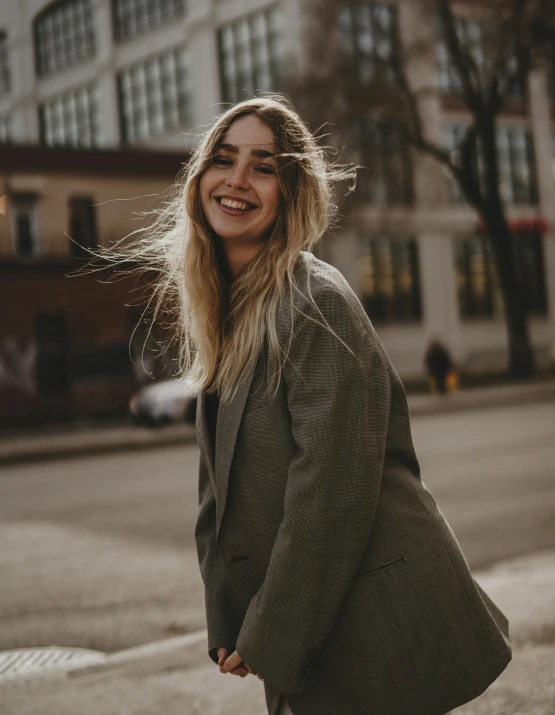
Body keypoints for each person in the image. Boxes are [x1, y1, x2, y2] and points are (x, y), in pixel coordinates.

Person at [126, 96, 511, 715]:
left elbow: (329, 495)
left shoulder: (313, 302)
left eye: (264, 166)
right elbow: (218, 490)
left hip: (374, 628)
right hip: (323, 619)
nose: (238, 181)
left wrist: (270, 634)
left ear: (291, 192)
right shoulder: (231, 309)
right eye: (224, 160)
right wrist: (227, 614)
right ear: (200, 178)